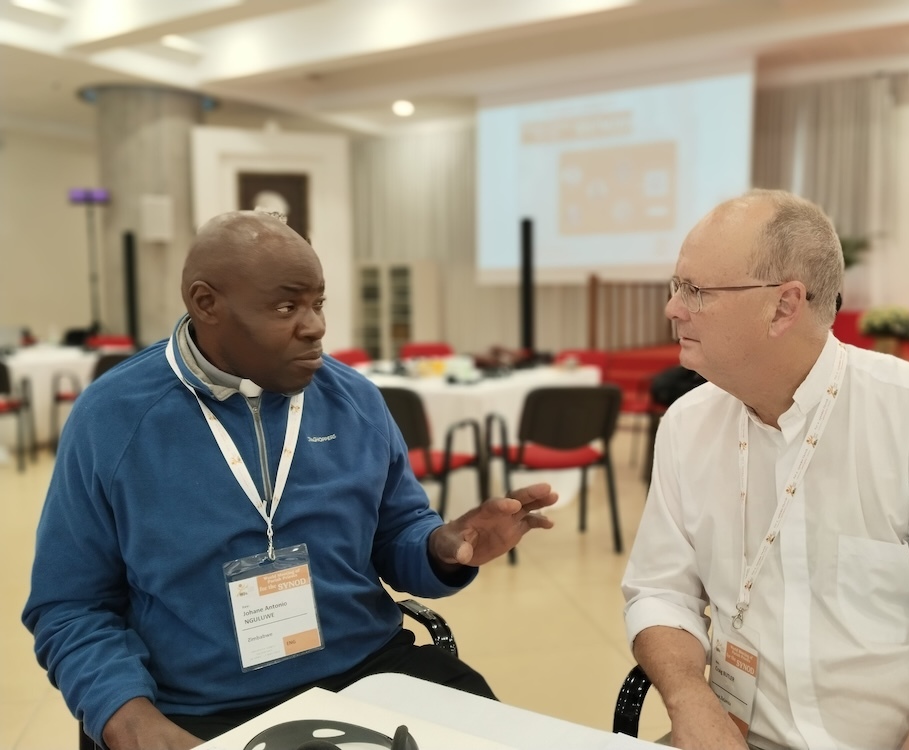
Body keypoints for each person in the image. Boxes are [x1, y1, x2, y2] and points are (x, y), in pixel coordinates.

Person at [23, 210, 559, 750]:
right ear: (205, 303)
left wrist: (442, 547)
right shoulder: (114, 417)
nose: (315, 325)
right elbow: (68, 605)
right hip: (196, 704)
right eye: (286, 306)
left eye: (317, 303)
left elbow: (398, 533)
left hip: (366, 670)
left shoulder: (355, 401)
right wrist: (126, 713)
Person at [622, 189, 909, 750]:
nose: (674, 309)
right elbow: (658, 592)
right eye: (677, 287)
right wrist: (689, 698)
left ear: (784, 305)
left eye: (696, 291)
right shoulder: (687, 423)